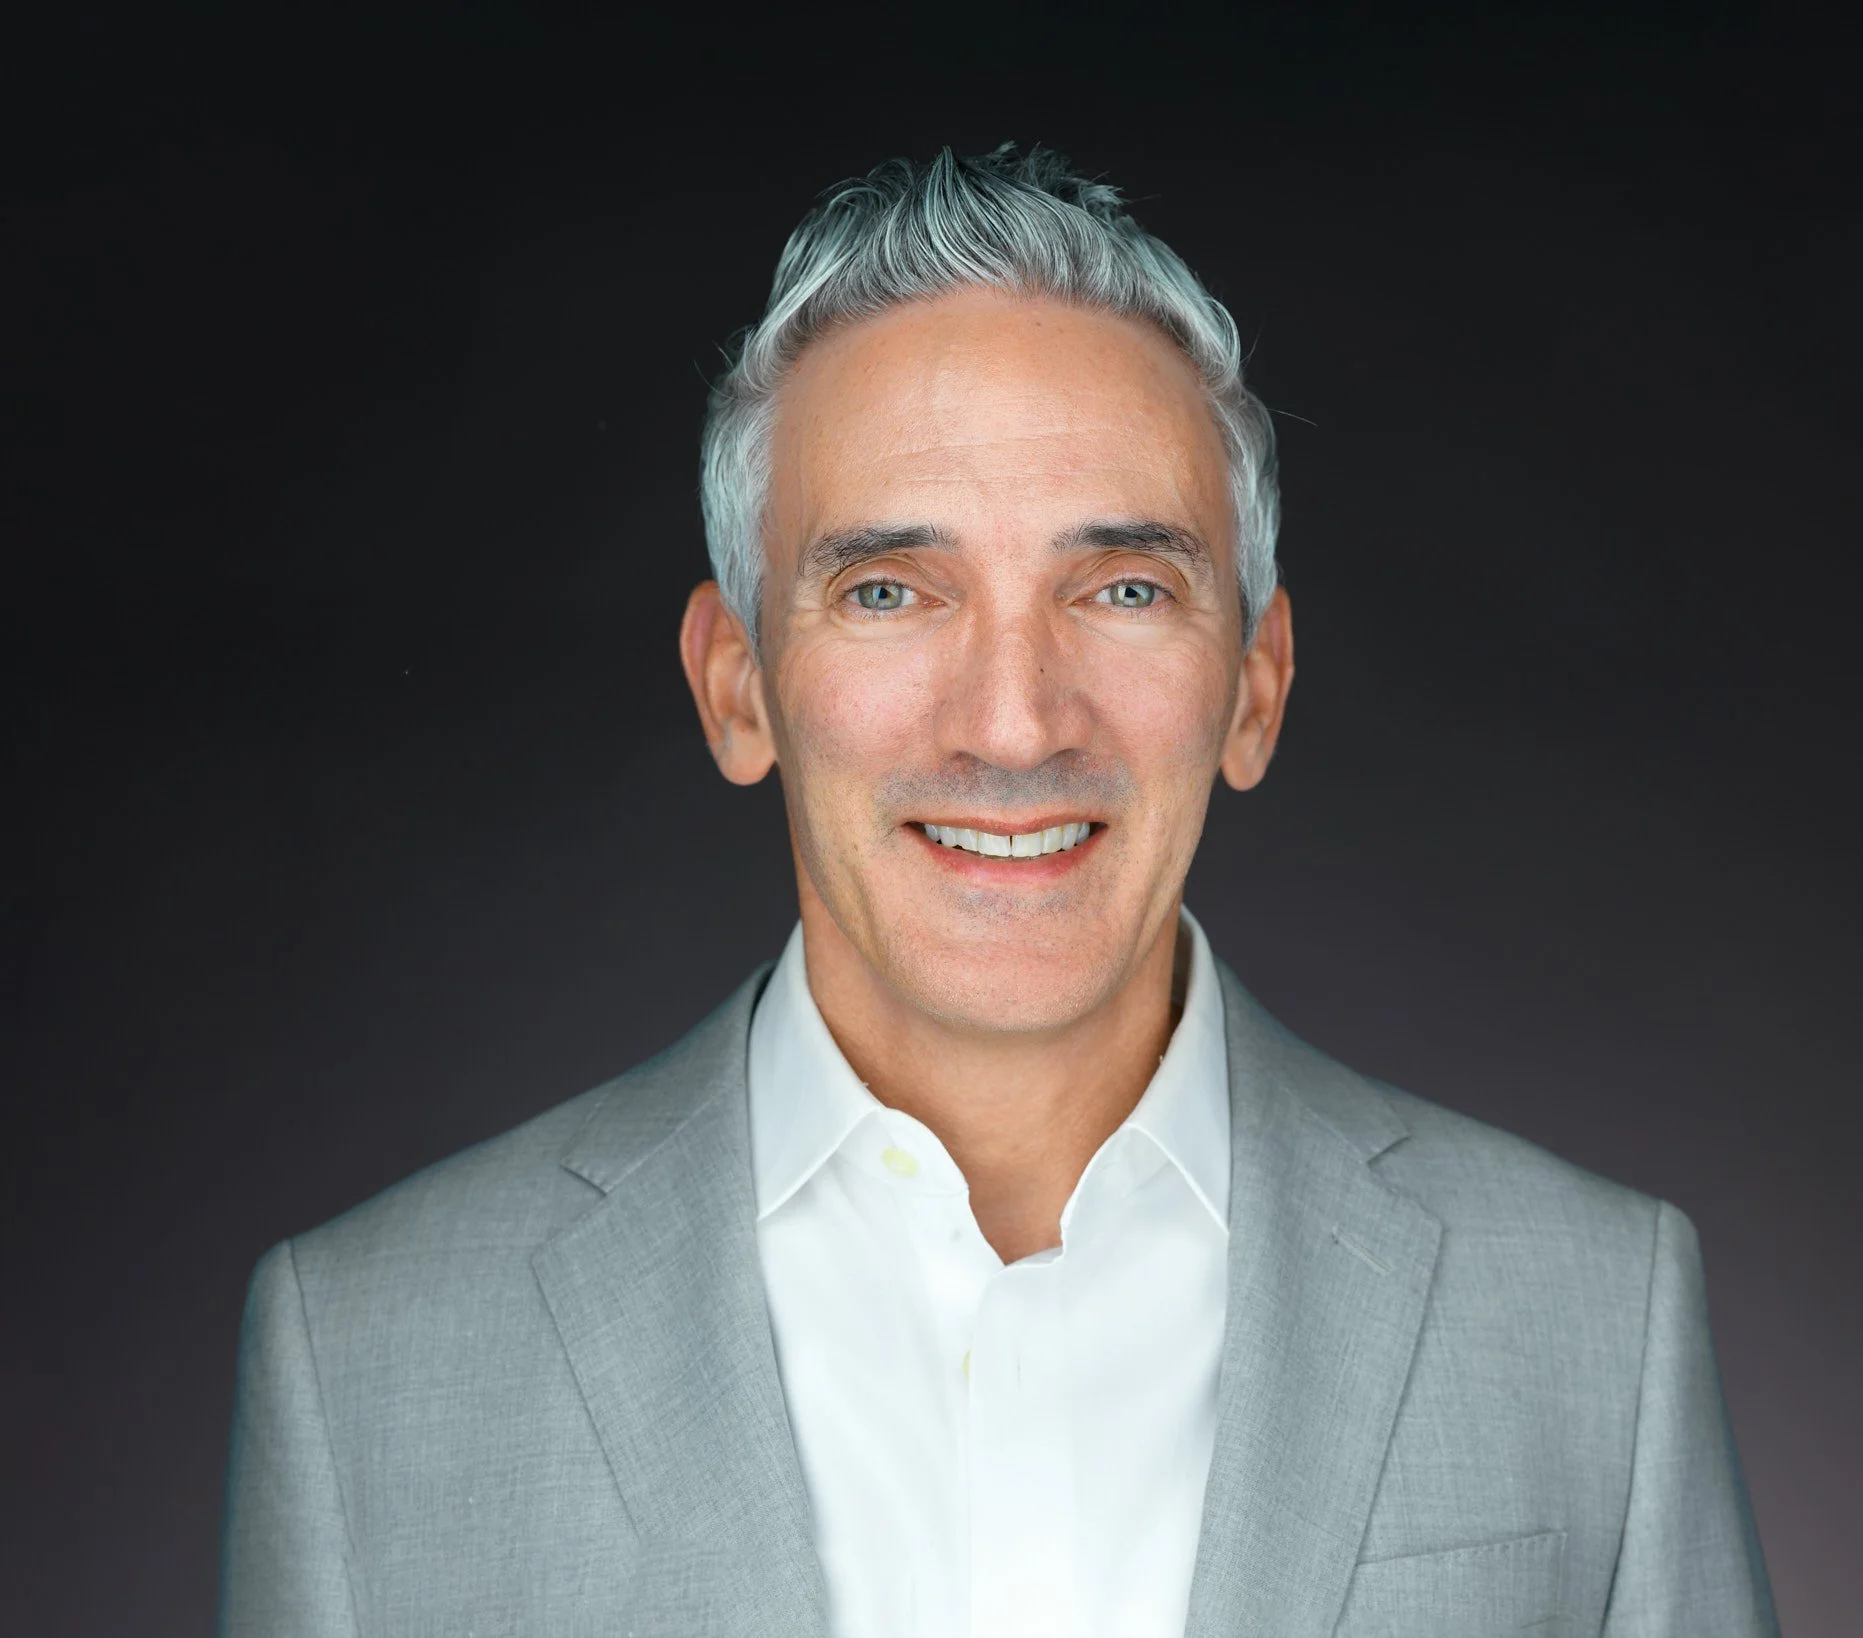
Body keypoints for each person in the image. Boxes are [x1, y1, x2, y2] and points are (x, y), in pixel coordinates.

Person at [218, 145, 1778, 1638]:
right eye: (892, 590)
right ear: (737, 686)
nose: (1017, 720)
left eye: (1123, 589)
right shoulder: (367, 1353)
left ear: (1256, 686)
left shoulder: (1591, 1320)